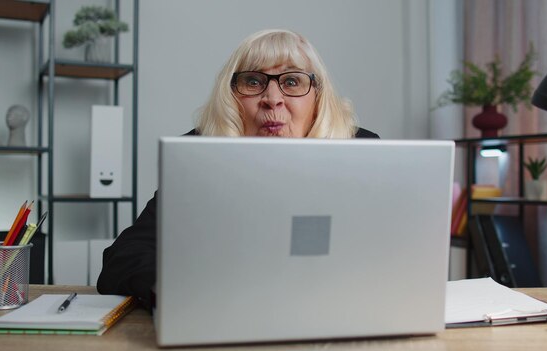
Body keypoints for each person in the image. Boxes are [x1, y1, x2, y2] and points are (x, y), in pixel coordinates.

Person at [97, 29, 379, 309]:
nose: (272, 98)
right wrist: (186, 294)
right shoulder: (198, 155)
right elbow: (123, 258)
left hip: (337, 310)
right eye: (253, 81)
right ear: (232, 97)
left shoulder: (363, 150)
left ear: (317, 97)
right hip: (225, 312)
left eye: (292, 81)